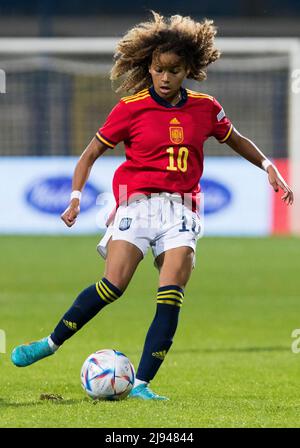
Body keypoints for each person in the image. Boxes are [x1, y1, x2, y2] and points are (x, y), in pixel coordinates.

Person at [11, 12, 294, 400]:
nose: (165, 77)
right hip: (136, 204)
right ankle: (50, 342)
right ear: (149, 66)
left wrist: (267, 167)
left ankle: (142, 384)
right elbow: (89, 154)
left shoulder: (206, 107)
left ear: (187, 70)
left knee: (172, 289)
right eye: (159, 69)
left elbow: (236, 138)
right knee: (115, 285)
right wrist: (75, 198)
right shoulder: (131, 108)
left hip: (183, 210)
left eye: (174, 70)